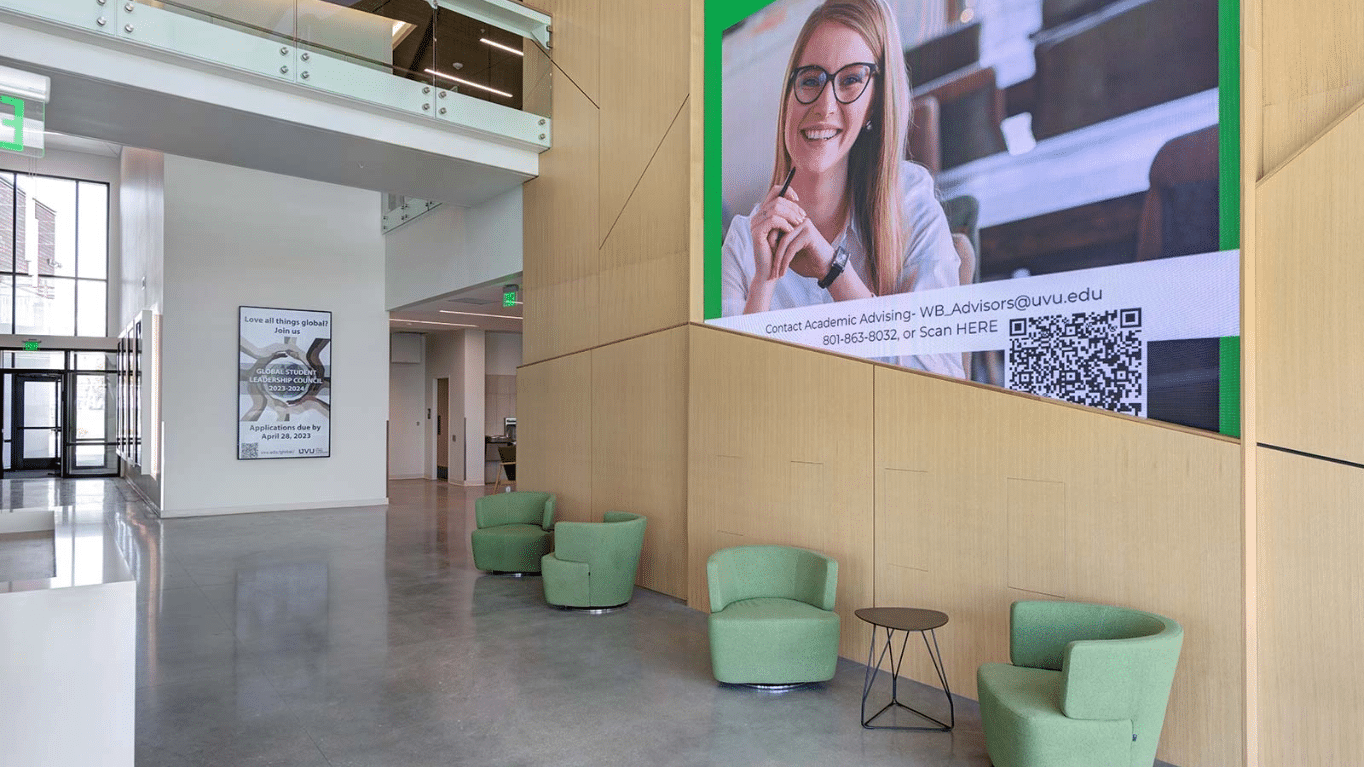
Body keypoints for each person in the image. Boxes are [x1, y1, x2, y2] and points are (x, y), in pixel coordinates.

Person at [720, 0, 962, 377]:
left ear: (876, 102)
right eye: (810, 80)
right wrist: (763, 286)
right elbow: (725, 400)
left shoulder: (910, 203)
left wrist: (834, 271)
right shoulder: (742, 242)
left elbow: (941, 381)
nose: (824, 104)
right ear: (788, 96)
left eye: (850, 80)